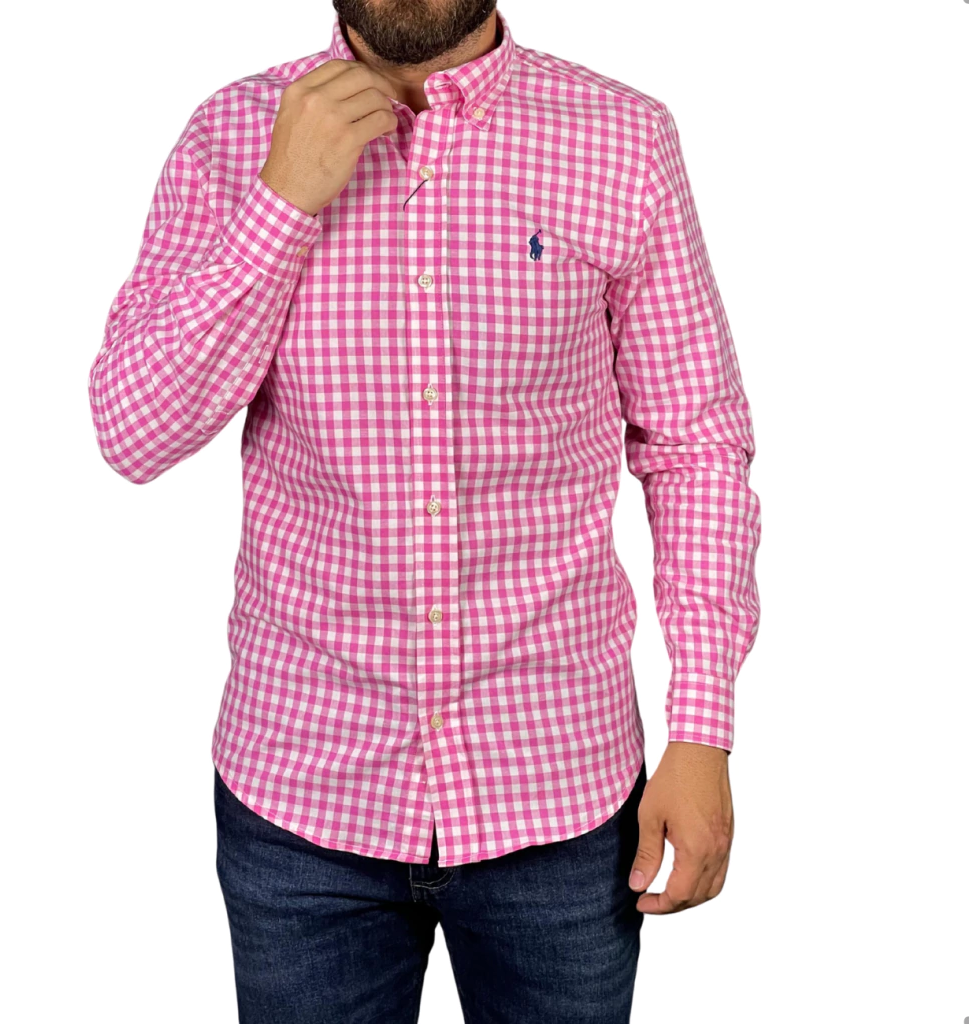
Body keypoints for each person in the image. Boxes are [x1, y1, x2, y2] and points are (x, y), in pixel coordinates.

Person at [87, 0, 761, 1019]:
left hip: (560, 794)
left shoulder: (623, 137)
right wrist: (283, 200)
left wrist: (701, 729)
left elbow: (694, 442)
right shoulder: (233, 134)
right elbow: (134, 431)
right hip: (301, 797)